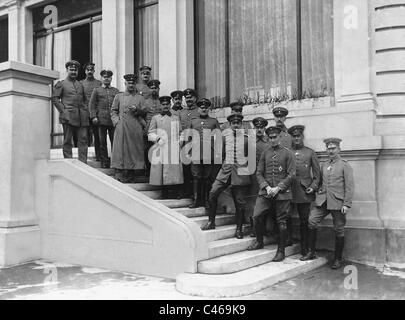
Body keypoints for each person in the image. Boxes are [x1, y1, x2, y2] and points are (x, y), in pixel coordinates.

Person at [302, 138, 354, 270]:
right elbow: (318, 181)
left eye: (333, 148)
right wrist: (312, 188)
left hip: (338, 202)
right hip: (323, 200)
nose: (330, 151)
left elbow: (349, 186)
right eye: (328, 148)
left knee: (339, 228)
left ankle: (338, 258)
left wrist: (346, 204)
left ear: (339, 149)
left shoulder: (344, 165)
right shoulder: (324, 164)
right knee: (312, 220)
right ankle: (312, 252)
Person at [248, 126, 296, 263]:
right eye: (270, 138)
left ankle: (281, 251)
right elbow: (259, 173)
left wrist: (279, 188)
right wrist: (266, 187)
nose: (273, 140)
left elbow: (292, 174)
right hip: (266, 191)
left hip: (282, 192)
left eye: (275, 137)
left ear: (280, 137)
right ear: (268, 138)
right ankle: (259, 241)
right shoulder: (265, 153)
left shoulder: (288, 153)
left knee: (282, 221)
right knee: (256, 216)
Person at [201, 114, 252, 240]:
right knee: (213, 193)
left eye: (238, 123)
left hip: (240, 173)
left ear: (241, 124)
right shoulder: (224, 138)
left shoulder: (246, 139)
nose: (235, 125)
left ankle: (239, 229)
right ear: (229, 124)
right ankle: (211, 222)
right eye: (233, 123)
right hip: (226, 171)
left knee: (239, 202)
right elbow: (220, 154)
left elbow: (250, 158)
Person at [288, 125, 321, 258]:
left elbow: (317, 175)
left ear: (303, 137)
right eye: (294, 136)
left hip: (304, 191)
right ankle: (287, 242)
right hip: (289, 189)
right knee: (286, 217)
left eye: (299, 136)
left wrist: (313, 187)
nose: (297, 138)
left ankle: (305, 247)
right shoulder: (287, 152)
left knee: (304, 220)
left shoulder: (310, 152)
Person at [111, 74, 147, 183]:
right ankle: (119, 173)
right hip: (121, 127)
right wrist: (116, 121)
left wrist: (137, 110)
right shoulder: (119, 96)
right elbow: (113, 111)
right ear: (125, 84)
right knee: (120, 150)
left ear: (135, 84)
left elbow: (145, 112)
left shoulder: (140, 98)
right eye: (129, 83)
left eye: (133, 83)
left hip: (134, 127)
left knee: (133, 150)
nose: (131, 85)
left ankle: (131, 174)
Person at [51, 60, 89, 164]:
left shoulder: (80, 84)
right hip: (68, 117)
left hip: (81, 117)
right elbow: (54, 98)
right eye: (71, 70)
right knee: (68, 140)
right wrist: (64, 111)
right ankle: (69, 162)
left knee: (83, 140)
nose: (73, 72)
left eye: (75, 70)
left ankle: (83, 163)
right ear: (67, 70)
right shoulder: (61, 84)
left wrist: (85, 110)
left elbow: (84, 99)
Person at [187, 98, 221, 209]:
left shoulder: (213, 121)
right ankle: (196, 200)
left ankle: (207, 201)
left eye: (206, 107)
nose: (204, 109)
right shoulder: (193, 121)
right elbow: (189, 138)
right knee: (196, 177)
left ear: (209, 109)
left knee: (207, 178)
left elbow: (218, 138)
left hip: (209, 153)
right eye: (202, 107)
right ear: (198, 109)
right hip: (196, 153)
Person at [148, 96, 184, 199]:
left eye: (167, 104)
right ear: (160, 105)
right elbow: (150, 133)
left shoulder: (176, 118)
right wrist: (157, 139)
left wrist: (179, 142)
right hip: (161, 146)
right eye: (163, 104)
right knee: (163, 170)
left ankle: (175, 192)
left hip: (173, 147)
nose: (165, 106)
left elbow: (181, 132)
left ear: (170, 105)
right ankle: (165, 193)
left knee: (174, 171)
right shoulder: (156, 118)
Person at [89, 70, 120, 169]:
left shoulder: (115, 91)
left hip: (113, 120)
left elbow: (119, 105)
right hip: (101, 120)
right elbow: (92, 104)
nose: (106, 78)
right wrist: (93, 116)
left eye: (108, 77)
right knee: (102, 142)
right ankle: (104, 161)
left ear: (111, 78)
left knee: (114, 141)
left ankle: (115, 161)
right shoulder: (97, 90)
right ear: (101, 78)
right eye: (104, 77)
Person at [246, 117, 270, 237]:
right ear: (254, 128)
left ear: (265, 128)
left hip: (265, 177)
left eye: (261, 127)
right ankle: (253, 228)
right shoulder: (248, 141)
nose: (259, 129)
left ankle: (264, 228)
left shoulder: (268, 142)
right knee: (252, 202)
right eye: (257, 127)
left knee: (264, 201)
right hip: (251, 176)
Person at [179, 89, 200, 199]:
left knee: (196, 171)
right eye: (187, 98)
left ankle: (196, 194)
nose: (189, 100)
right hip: (184, 145)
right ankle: (187, 192)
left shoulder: (199, 111)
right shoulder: (181, 112)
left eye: (191, 97)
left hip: (196, 145)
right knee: (185, 170)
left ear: (195, 98)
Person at [81, 62, 102, 161]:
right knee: (84, 136)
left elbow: (100, 99)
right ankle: (84, 157)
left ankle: (99, 156)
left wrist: (96, 113)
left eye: (91, 69)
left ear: (94, 71)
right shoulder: (81, 83)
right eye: (88, 69)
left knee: (97, 136)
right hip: (85, 113)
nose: (89, 71)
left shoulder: (99, 83)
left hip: (96, 114)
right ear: (85, 71)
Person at [143, 79, 161, 174]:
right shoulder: (144, 101)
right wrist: (145, 126)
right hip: (148, 132)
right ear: (149, 89)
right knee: (147, 151)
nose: (154, 90)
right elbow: (140, 116)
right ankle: (149, 171)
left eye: (156, 88)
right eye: (152, 88)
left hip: (160, 132)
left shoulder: (162, 102)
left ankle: (156, 173)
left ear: (159, 89)